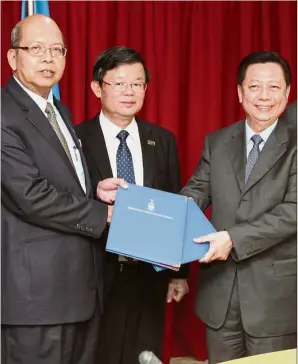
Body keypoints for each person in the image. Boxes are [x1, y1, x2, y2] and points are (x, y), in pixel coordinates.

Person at [1, 14, 123, 364]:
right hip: (35, 298)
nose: (48, 57)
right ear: (13, 57)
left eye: (57, 49)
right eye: (36, 48)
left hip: (79, 292)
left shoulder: (59, 111)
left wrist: (94, 191)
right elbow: (28, 196)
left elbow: (59, 183)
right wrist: (105, 213)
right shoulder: (4, 112)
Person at [75, 46, 189, 364]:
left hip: (149, 274)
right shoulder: (76, 138)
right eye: (120, 83)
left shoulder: (162, 139)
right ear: (97, 88)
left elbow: (174, 202)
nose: (130, 91)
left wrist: (180, 273)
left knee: (145, 355)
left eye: (137, 83)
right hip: (96, 272)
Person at [181, 51, 297, 363]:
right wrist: (151, 211)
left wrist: (233, 237)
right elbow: (194, 194)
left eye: (274, 88)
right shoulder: (217, 142)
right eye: (255, 86)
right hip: (220, 297)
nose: (264, 97)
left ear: (288, 93)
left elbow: (294, 211)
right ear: (239, 92)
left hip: (276, 301)